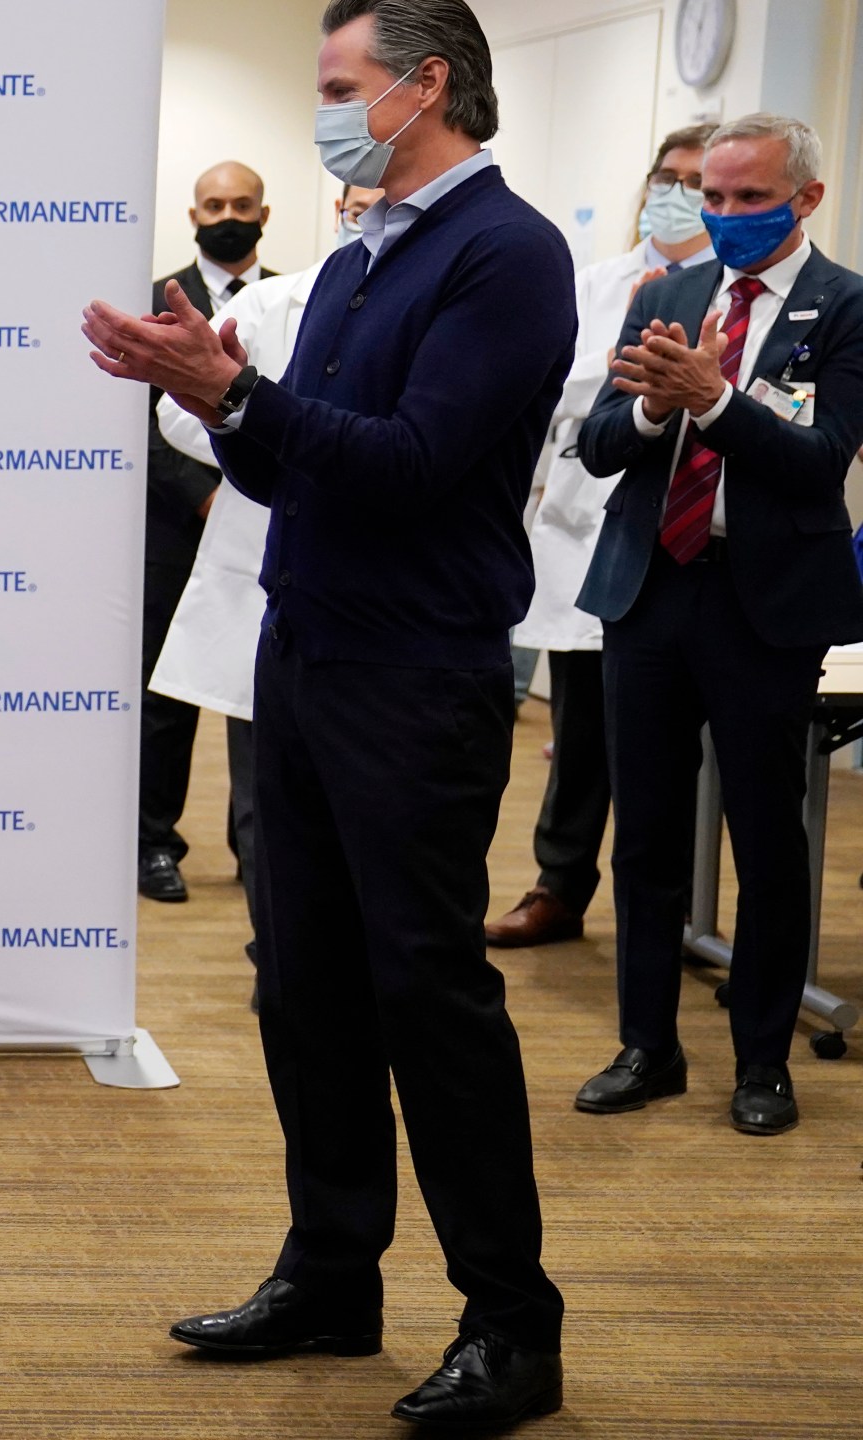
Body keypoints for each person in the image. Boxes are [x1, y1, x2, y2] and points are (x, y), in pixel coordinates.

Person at [84, 0, 572, 1427]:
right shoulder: (370, 254)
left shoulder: (506, 253)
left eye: (342, 84)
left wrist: (236, 391)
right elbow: (308, 473)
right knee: (302, 983)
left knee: (428, 993)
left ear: (428, 88)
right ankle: (334, 1271)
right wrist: (224, 402)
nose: (329, 111)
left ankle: (512, 1325)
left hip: (415, 675)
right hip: (299, 658)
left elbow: (415, 465)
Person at [570, 113, 863, 1134]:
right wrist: (655, 411)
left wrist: (715, 402)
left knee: (766, 841)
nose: (726, 215)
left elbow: (820, 459)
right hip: (650, 590)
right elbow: (599, 444)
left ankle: (760, 1064)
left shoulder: (845, 308)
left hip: (763, 605)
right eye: (715, 198)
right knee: (643, 837)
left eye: (749, 198)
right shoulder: (668, 294)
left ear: (806, 199)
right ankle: (646, 1048)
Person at [489, 125, 718, 949]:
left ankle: (678, 906)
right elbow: (553, 383)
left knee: (676, 738)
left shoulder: (737, 289)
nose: (679, 192)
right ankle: (560, 885)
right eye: (668, 176)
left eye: (699, 180)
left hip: (690, 529)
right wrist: (630, 354)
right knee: (582, 727)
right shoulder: (598, 282)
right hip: (590, 526)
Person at [151, 182, 381, 966]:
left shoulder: (465, 290)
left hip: (392, 603)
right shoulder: (279, 302)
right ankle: (278, 951)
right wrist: (258, 429)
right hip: (274, 573)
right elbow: (180, 410)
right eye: (362, 194)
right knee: (267, 793)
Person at [140, 160, 278, 904]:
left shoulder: (299, 296)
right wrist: (203, 496)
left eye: (242, 203)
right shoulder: (160, 299)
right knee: (166, 698)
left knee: (258, 696)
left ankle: (254, 849)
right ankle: (155, 842)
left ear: (264, 213)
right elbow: (144, 424)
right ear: (193, 215)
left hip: (265, 533)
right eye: (214, 204)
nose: (228, 214)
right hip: (176, 530)